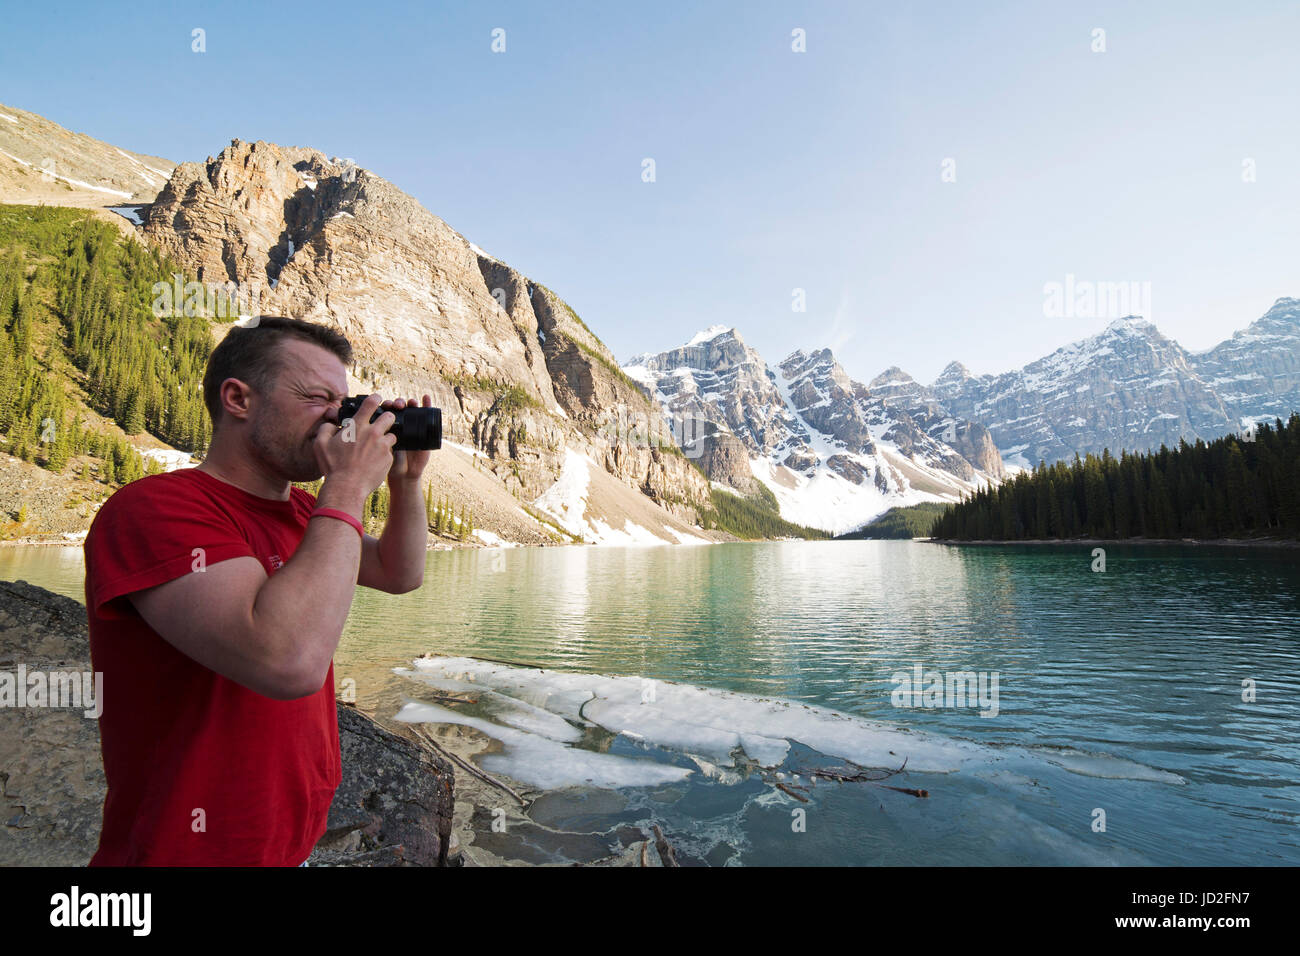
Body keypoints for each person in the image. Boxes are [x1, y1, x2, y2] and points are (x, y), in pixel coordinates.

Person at [82, 316, 433, 866]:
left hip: (285, 841)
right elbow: (286, 661)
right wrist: (346, 485)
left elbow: (398, 572)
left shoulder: (301, 511)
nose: (338, 420)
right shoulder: (154, 509)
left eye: (343, 402)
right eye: (318, 398)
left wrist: (405, 482)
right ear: (238, 398)